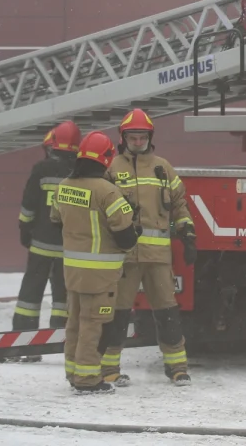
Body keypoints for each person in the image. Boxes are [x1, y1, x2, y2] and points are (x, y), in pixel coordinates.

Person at [100, 108, 197, 387]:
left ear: (149, 137)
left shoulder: (163, 168)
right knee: (117, 315)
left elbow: (180, 204)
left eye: (142, 137)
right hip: (125, 258)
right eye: (133, 136)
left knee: (168, 313)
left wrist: (188, 233)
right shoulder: (111, 168)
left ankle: (177, 368)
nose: (138, 141)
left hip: (158, 258)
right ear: (123, 137)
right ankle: (110, 370)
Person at [50, 131, 139, 394]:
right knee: (94, 326)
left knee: (75, 322)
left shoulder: (64, 185)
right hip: (101, 276)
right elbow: (125, 238)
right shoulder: (108, 192)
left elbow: (56, 222)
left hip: (73, 271)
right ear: (107, 158)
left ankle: (73, 372)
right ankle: (88, 379)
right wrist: (136, 230)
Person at [11, 122, 81, 351]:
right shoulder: (80, 172)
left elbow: (28, 203)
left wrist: (25, 229)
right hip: (67, 247)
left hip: (40, 243)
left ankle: (23, 335)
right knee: (63, 292)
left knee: (31, 290)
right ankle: (60, 337)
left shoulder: (41, 169)